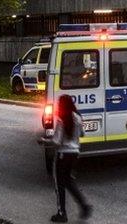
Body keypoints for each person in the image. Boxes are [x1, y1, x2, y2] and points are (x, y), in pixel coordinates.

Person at [39, 94, 92, 222]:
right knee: (69, 182)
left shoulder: (62, 119)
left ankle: (62, 213)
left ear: (62, 105)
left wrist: (44, 141)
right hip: (74, 154)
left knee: (59, 184)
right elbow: (82, 134)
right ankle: (84, 206)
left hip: (63, 155)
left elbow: (57, 142)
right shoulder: (78, 117)